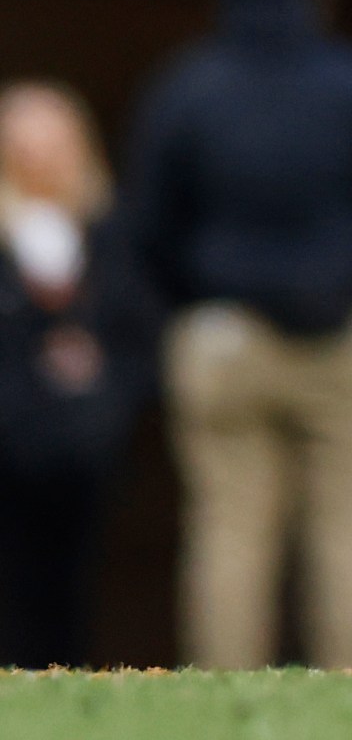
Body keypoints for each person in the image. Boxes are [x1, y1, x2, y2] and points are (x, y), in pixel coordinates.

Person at [124, 0, 352, 670]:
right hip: (345, 334)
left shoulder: (187, 88)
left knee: (230, 529)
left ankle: (227, 696)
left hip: (227, 334)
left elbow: (147, 225)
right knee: (351, 528)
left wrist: (189, 300)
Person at [0, 83, 154, 669]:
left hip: (85, 448)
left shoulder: (110, 233)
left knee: (72, 582)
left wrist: (102, 386)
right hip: (13, 438)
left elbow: (136, 332)